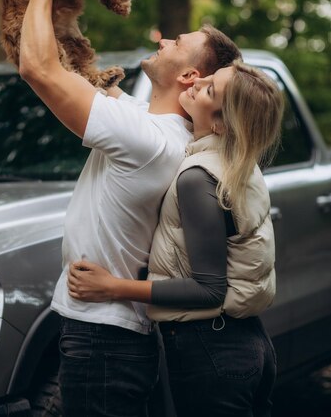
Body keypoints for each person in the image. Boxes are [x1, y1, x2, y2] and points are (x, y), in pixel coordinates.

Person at [18, 0, 241, 417]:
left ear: (189, 77)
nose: (166, 38)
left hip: (104, 338)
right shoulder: (149, 124)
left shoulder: (148, 139)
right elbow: (71, 68)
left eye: (179, 42)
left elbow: (39, 70)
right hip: (104, 332)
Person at [68, 61, 284, 417]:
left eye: (210, 90)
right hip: (249, 343)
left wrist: (112, 287)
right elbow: (131, 111)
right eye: (209, 77)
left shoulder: (198, 178)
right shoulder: (238, 162)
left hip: (213, 351)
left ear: (219, 123)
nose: (199, 84)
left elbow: (208, 289)